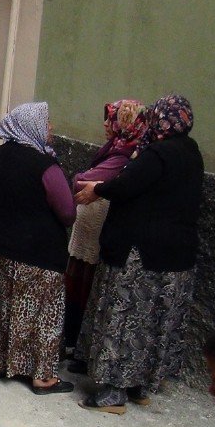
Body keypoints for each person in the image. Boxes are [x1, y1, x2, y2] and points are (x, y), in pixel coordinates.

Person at [74, 95, 204, 413]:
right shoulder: (191, 151)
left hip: (141, 254)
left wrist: (97, 190)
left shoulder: (158, 153)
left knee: (126, 318)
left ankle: (114, 392)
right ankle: (139, 385)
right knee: (153, 321)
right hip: (175, 255)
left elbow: (128, 184)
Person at [0, 102, 77, 394]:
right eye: (46, 123)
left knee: (2, 306)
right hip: (35, 253)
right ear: (32, 125)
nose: (51, 128)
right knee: (40, 313)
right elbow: (67, 212)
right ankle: (42, 376)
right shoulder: (45, 166)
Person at [63, 100, 146, 369]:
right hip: (87, 231)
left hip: (95, 236)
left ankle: (75, 347)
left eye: (111, 119)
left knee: (84, 290)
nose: (105, 125)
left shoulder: (125, 155)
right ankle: (72, 343)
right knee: (77, 288)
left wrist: (92, 183)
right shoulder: (116, 149)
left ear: (125, 124)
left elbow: (81, 180)